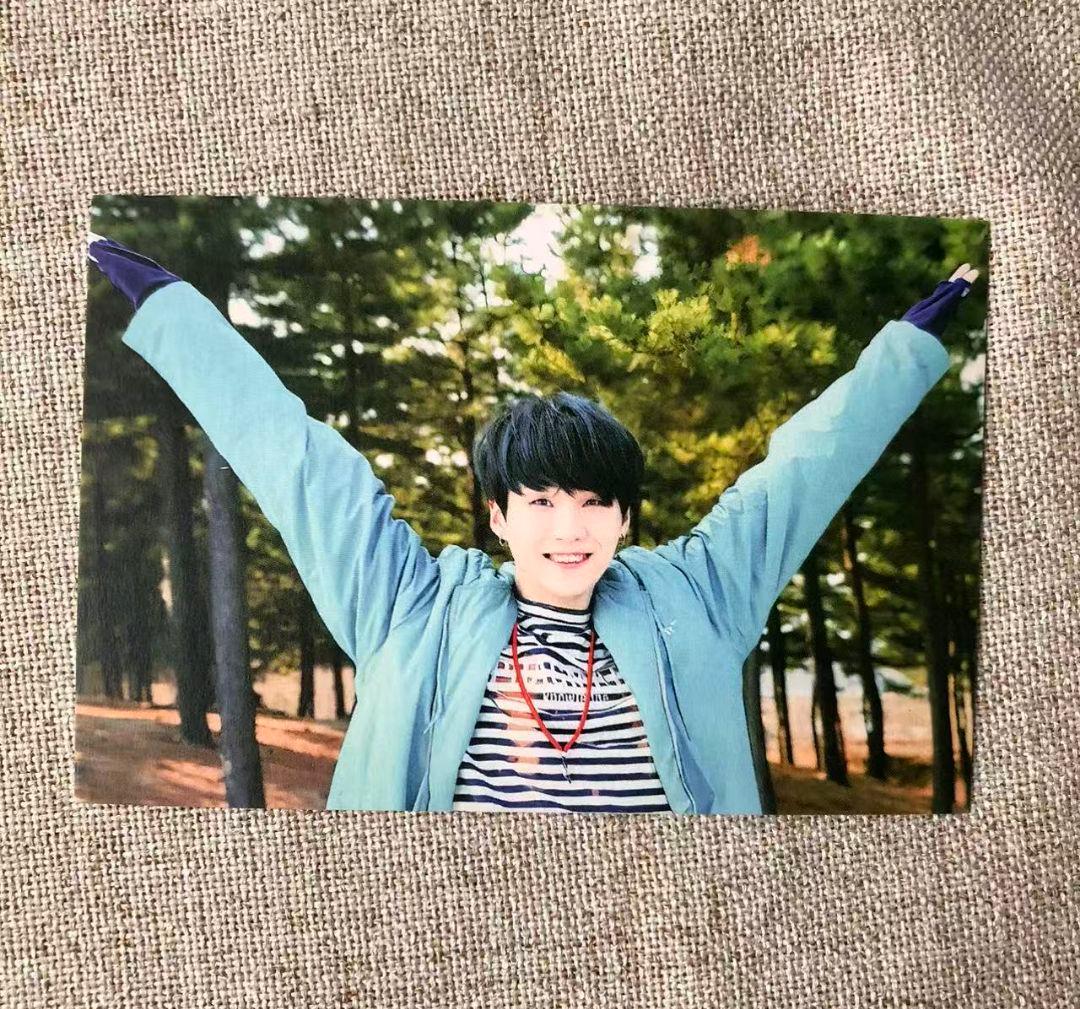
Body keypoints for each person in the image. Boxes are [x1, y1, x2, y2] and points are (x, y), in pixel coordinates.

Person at [88, 234, 978, 814]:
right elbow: (299, 462)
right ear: (498, 515)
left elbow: (803, 475)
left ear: (625, 519)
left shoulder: (697, 598)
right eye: (542, 502)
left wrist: (906, 350)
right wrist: (174, 312)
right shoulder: (411, 607)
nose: (570, 529)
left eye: (594, 503)